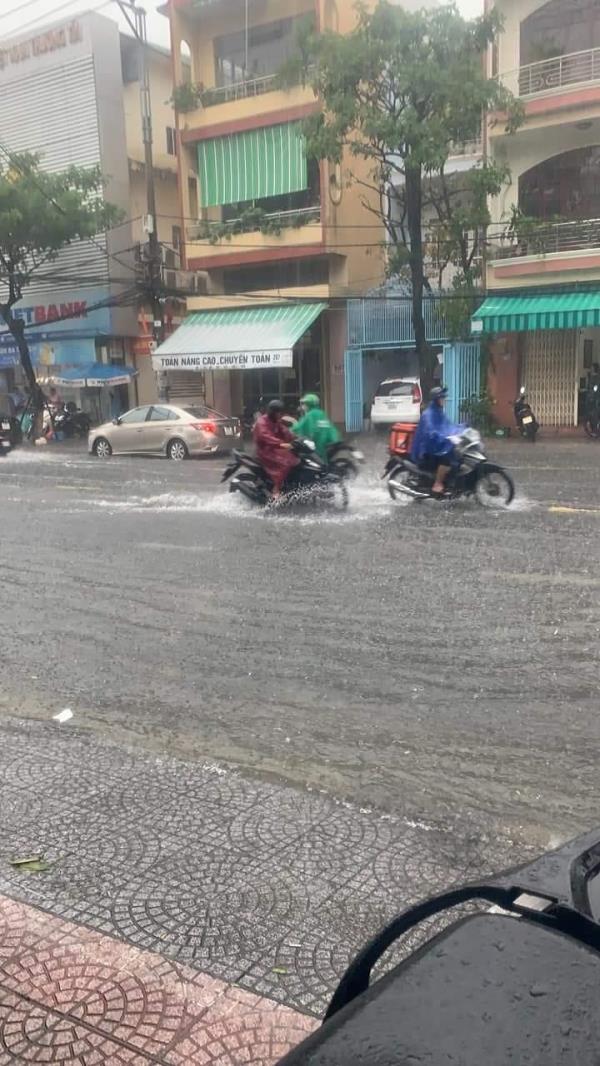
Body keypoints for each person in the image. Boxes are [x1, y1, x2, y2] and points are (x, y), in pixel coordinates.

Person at [410, 386, 458, 496]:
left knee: (458, 455)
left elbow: (448, 425)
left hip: (436, 446)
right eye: (441, 398)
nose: (444, 400)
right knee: (446, 460)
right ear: (436, 400)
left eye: (444, 398)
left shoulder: (439, 412)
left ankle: (450, 482)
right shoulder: (428, 414)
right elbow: (430, 432)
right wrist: (444, 437)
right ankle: (437, 483)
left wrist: (461, 429)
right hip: (426, 450)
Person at [252, 398, 299, 497]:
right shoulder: (262, 422)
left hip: (274, 448)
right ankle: (276, 488)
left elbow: (283, 430)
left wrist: (296, 437)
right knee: (286, 462)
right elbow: (266, 437)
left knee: (296, 457)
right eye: (278, 413)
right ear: (272, 412)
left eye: (280, 413)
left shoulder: (274, 420)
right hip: (264, 450)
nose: (280, 415)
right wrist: (281, 444)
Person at [291, 393, 340, 461]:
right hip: (331, 442)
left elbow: (300, 427)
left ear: (309, 404)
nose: (303, 406)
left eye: (304, 404)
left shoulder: (310, 415)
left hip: (318, 445)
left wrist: (289, 430)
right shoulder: (320, 413)